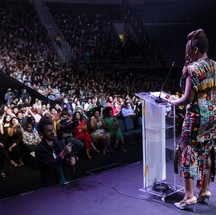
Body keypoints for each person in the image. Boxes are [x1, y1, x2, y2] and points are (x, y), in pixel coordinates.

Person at [168, 29, 216, 211]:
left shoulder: (193, 69)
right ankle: (204, 191)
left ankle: (189, 197)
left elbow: (188, 98)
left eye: (188, 50)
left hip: (195, 118)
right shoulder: (215, 65)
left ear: (195, 49)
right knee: (207, 152)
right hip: (212, 117)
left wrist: (173, 101)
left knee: (189, 153)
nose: (186, 53)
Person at [35, 115, 76, 187]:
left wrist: (71, 160)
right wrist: (63, 153)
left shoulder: (58, 143)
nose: (52, 132)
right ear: (41, 134)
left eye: (53, 129)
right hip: (52, 185)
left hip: (66, 181)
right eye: (48, 131)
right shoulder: (40, 149)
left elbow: (65, 161)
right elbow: (50, 166)